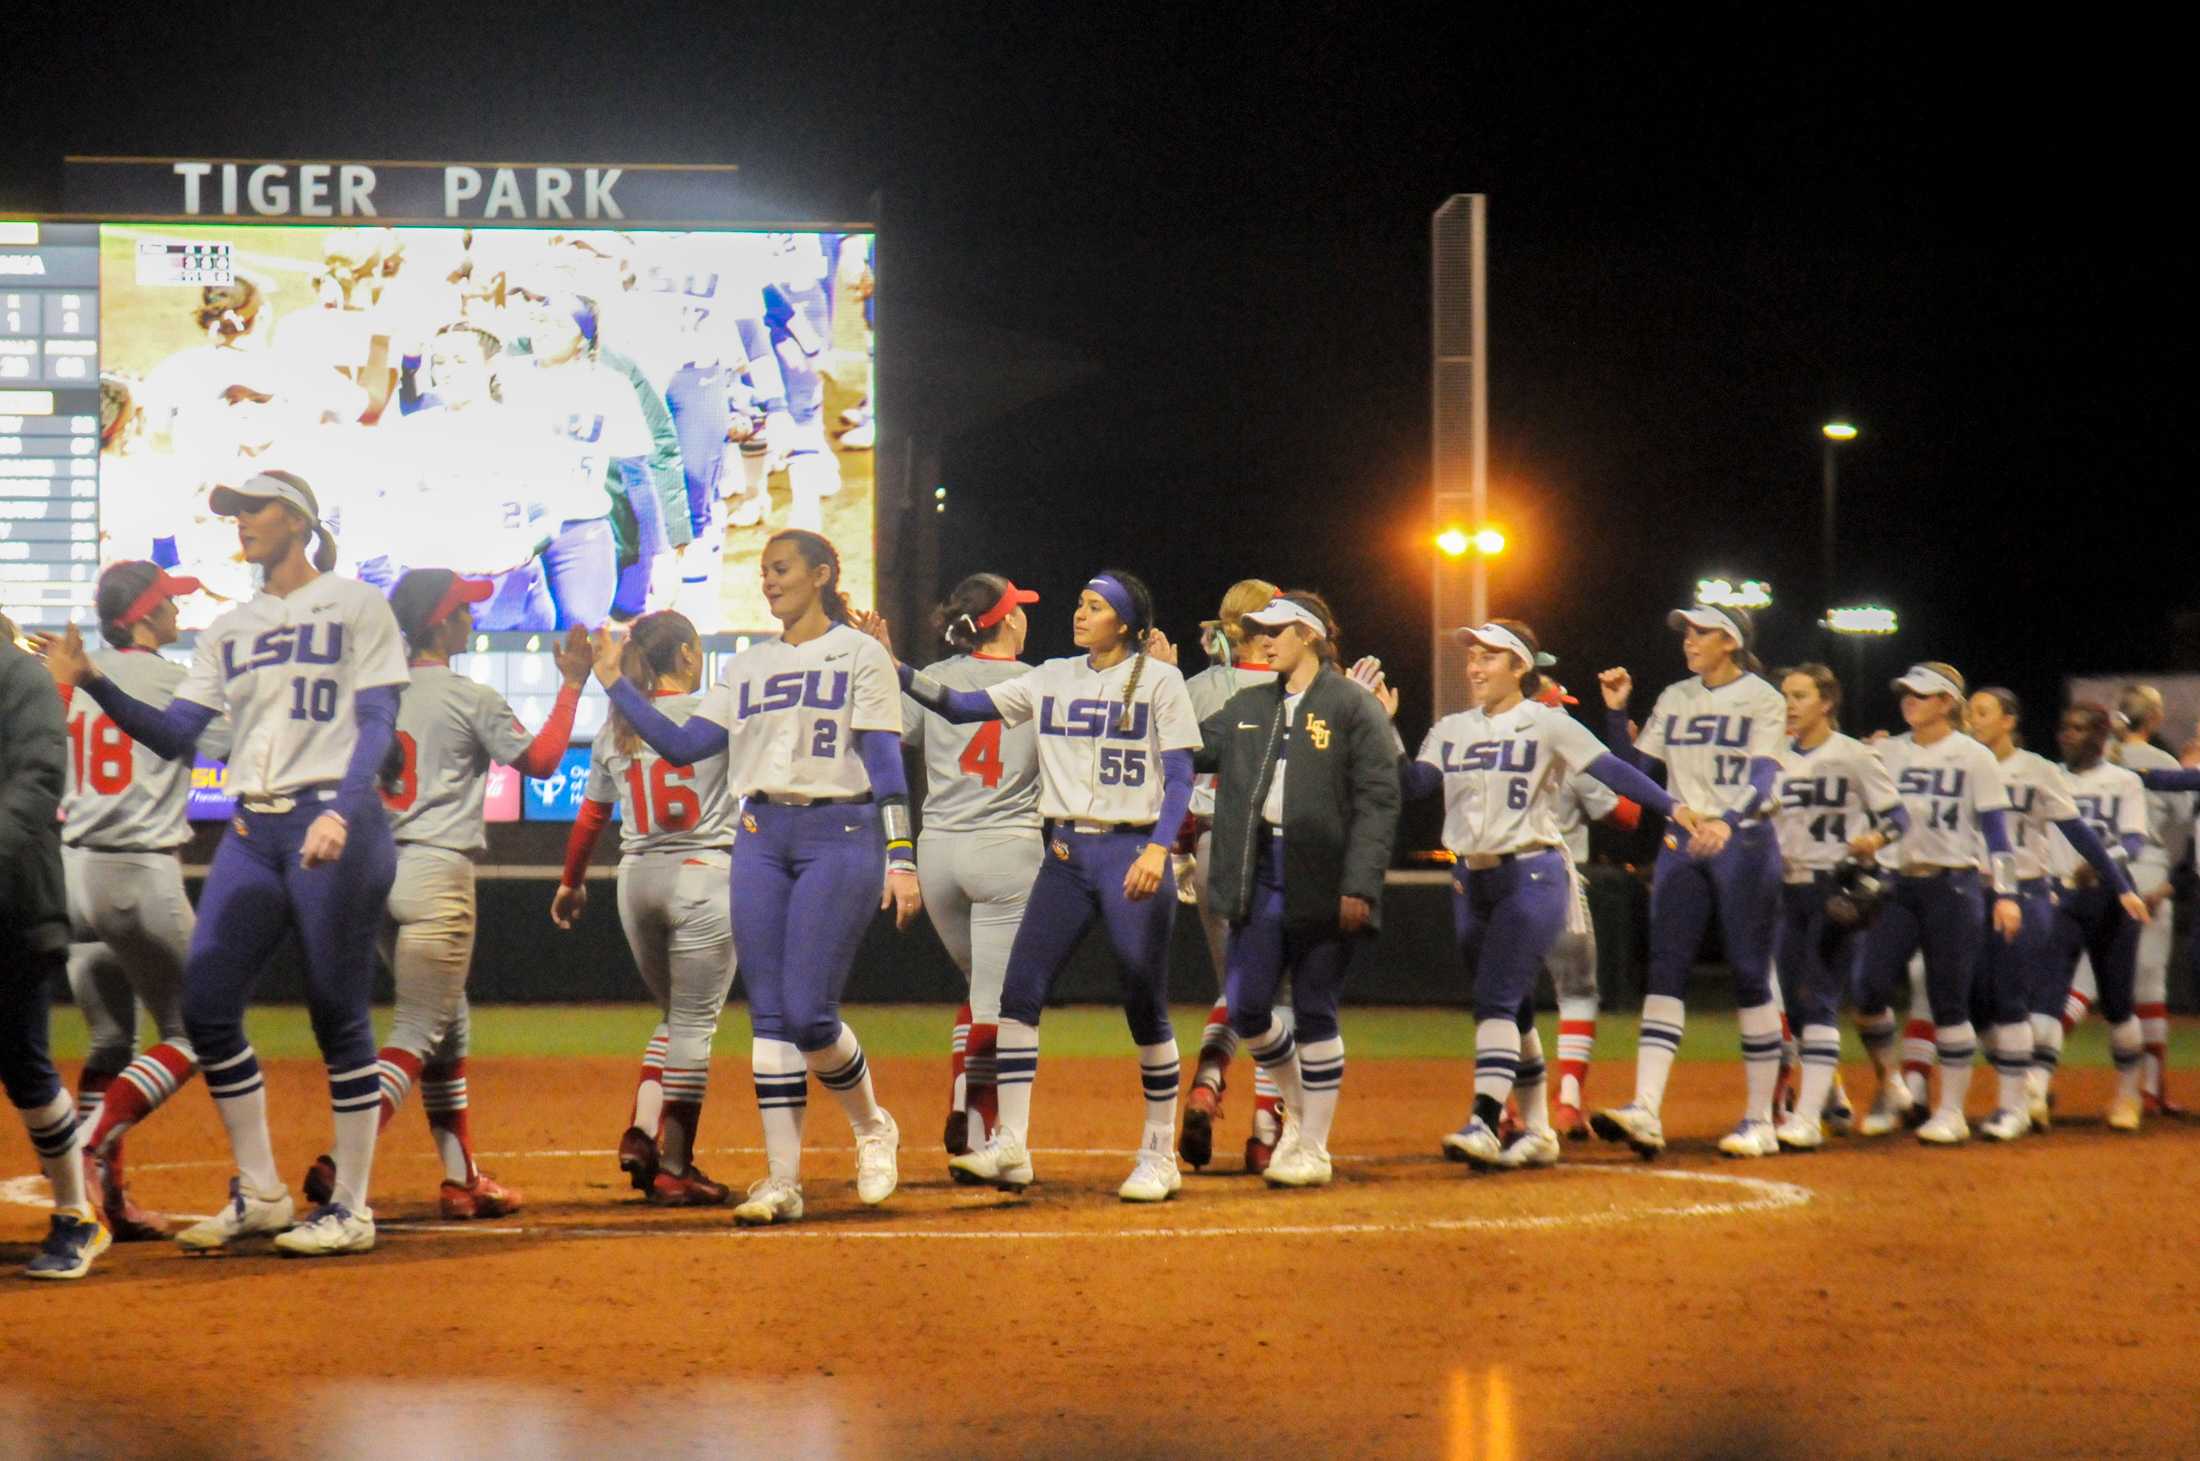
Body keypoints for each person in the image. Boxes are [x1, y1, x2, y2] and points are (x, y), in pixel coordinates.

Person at [42, 468, 408, 1254]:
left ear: (299, 520)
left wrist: (346, 807)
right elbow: (178, 736)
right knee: (206, 1007)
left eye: (254, 508)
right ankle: (263, 1192)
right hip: (256, 824)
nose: (239, 521)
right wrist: (95, 681)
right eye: (234, 510)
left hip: (334, 814)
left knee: (337, 1012)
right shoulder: (229, 627)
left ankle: (351, 1206)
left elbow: (378, 718)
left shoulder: (356, 603)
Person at [595, 530, 916, 1226]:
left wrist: (902, 855)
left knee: (809, 1015)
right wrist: (617, 684)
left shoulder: (862, 654)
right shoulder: (747, 666)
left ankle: (871, 1126)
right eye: (765, 570)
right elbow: (683, 744)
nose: (768, 581)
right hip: (762, 835)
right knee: (768, 1017)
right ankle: (782, 1178)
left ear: (823, 574)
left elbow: (886, 763)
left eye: (781, 568)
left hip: (842, 831)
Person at [899, 570, 1201, 1202]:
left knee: (1143, 998)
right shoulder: (1053, 675)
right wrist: (896, 669)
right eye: (1081, 603)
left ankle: (1159, 1151)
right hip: (1066, 851)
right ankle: (1011, 1143)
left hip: (1130, 848)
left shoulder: (1161, 679)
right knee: (1019, 991)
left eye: (1095, 606)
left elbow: (1179, 777)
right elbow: (958, 706)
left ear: (1123, 621)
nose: (1079, 613)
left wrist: (1157, 848)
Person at [299, 570, 588, 1218]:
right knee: (418, 1030)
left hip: (371, 870)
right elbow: (541, 761)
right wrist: (571, 683)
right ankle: (343, 1159)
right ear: (441, 622)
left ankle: (463, 1181)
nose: (472, 620)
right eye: (463, 610)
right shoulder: (466, 694)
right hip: (435, 870)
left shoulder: (369, 694)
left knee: (448, 1025)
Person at [1398, 620, 1689, 1169]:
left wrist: (1674, 808)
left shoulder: (1548, 723)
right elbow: (1412, 786)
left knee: (1497, 998)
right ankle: (1536, 1129)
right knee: (1516, 1008)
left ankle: (1484, 1120)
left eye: (1490, 656)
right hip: (1470, 879)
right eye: (1473, 656)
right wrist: (1379, 725)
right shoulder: (1451, 727)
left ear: (1519, 667)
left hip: (1533, 872)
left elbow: (1613, 771)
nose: (1475, 667)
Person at [1191, 592, 1400, 1186]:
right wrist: (1143, 690)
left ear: (1309, 635)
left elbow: (1379, 801)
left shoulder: (1352, 705)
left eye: (1276, 629)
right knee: (1250, 1006)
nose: (1264, 638)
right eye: (1260, 630)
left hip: (1327, 873)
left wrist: (1360, 882)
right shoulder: (1250, 702)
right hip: (1260, 871)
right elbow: (1191, 745)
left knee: (1314, 1008)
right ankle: (1301, 1113)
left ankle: (1312, 1145)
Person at [58, 563, 230, 1241]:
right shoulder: (166, 679)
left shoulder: (70, 677)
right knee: (198, 1029)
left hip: (73, 872)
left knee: (109, 1039)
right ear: (138, 618)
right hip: (137, 872)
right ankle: (87, 1145)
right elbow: (232, 745)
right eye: (168, 606)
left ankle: (106, 1199)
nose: (177, 616)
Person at [557, 610, 741, 1204]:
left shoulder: (617, 725)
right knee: (692, 1023)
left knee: (674, 1014)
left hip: (636, 879)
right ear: (687, 656)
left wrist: (570, 881)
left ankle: (641, 1131)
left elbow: (591, 816)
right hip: (705, 874)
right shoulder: (717, 710)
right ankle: (676, 1165)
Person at [1593, 604, 1787, 1158]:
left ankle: (1759, 1119)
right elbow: (1634, 771)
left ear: (1731, 641)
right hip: (1682, 841)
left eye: (1701, 632)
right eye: (1688, 632)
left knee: (1751, 972)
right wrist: (1616, 713)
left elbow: (1765, 770)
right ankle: (1646, 1109)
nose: (1689, 641)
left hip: (1743, 839)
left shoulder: (1763, 698)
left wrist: (1728, 821)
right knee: (1666, 971)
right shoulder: (1675, 697)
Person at [894, 574, 1043, 1165]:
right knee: (1000, 1005)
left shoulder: (935, 681)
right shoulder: (1040, 683)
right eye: (1020, 609)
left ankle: (968, 1113)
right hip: (1006, 849)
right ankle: (981, 1118)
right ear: (1007, 621)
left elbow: (885, 742)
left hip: (938, 851)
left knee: (978, 988)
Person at [1844, 663, 2023, 1146]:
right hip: (1897, 886)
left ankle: (1951, 1111)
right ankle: (1892, 1086)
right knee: (1867, 989)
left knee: (1949, 1000)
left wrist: (2006, 894)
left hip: (1954, 886)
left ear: (1947, 702)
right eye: (1905, 693)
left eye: (1921, 695)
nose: (1909, 701)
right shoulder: (1885, 751)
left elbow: (1997, 835)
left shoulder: (1973, 756)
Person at [1965, 689, 2139, 1139]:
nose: (1972, 721)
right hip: (1972, 893)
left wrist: (2120, 886)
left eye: (1982, 712)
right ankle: (2025, 1088)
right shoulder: (1964, 764)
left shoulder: (2037, 771)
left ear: (2009, 720)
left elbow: (2080, 833)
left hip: (2026, 891)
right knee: (1973, 1001)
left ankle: (2017, 1105)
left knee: (2014, 1000)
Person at [1, 609, 108, 1278]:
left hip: (14, 906)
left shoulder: (22, 678)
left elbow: (36, 784)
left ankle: (76, 1214)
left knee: (25, 1065)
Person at [1764, 663, 1906, 1150]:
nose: (1789, 703)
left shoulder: (1854, 756)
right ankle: (1835, 1099)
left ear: (1827, 702)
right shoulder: (1772, 756)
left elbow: (1898, 818)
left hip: (1834, 887)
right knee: (1795, 1008)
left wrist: (1876, 837)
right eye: (1785, 694)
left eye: (1800, 695)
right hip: (1787, 891)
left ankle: (1806, 1117)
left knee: (1818, 997)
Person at [1176, 577, 1286, 1172]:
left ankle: (1209, 1082)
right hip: (1275, 842)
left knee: (1240, 981)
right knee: (1278, 992)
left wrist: (1173, 844)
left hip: (1211, 840)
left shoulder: (1196, 689)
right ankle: (1266, 1132)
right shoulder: (1295, 685)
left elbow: (1169, 771)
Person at [1533, 680, 1643, 1139]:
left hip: (1491, 879)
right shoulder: (1569, 753)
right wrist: (1625, 748)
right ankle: (1568, 1102)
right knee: (1577, 990)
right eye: (1560, 704)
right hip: (1558, 878)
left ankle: (1508, 1108)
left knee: (1504, 996)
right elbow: (1628, 815)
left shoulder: (1479, 742)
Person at [2040, 703, 2155, 1130]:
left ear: (2101, 735)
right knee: (2047, 998)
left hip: (2111, 899)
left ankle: (2128, 1097)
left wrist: (2103, 861)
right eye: (2064, 727)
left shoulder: (2123, 781)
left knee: (2118, 1003)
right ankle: (2034, 1092)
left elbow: (2135, 842)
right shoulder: (2049, 776)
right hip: (2061, 897)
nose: (2067, 735)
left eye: (2078, 728)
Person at [2109, 685, 2193, 1114]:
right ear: (2155, 720)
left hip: (2098, 876)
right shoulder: (2163, 763)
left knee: (2082, 984)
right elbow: (2184, 831)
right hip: (2147, 872)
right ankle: (2151, 1089)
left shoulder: (2098, 758)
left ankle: (2036, 1075)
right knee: (2149, 987)